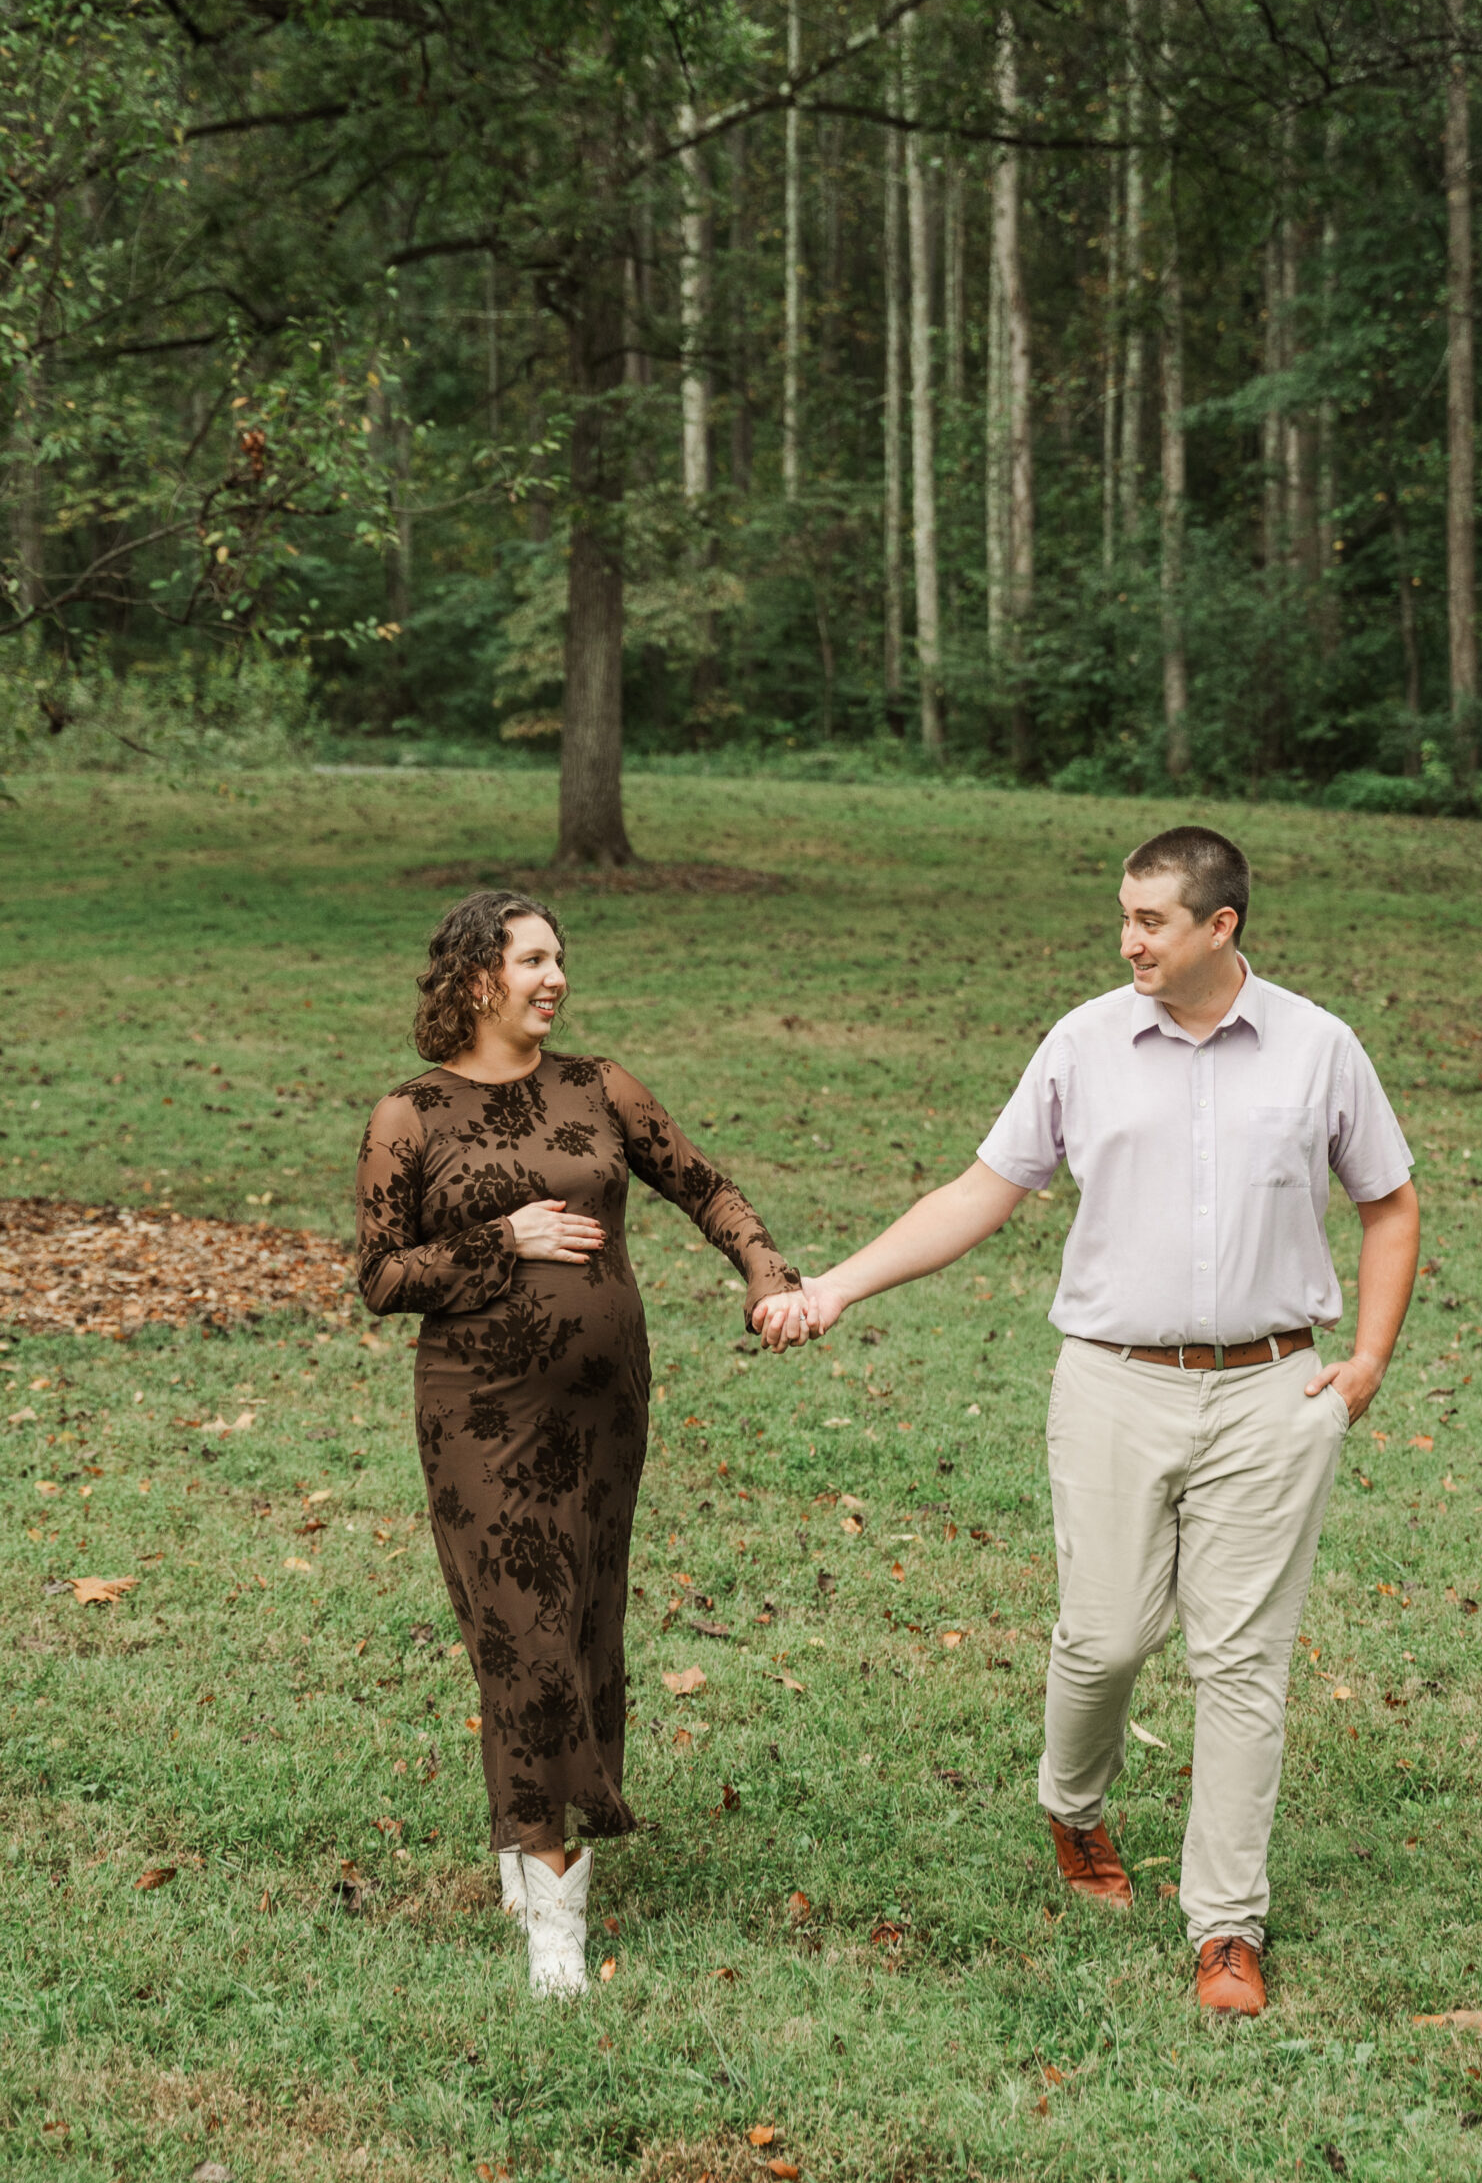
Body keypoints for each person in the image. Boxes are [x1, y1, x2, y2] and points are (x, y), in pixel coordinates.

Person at [792, 826, 1418, 2018]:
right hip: (1113, 1383)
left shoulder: (1317, 1048)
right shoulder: (1082, 1043)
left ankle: (1224, 1926)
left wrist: (1368, 1361)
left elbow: (1387, 1202)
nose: (1126, 939)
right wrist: (837, 1286)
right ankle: (1072, 1805)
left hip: (1271, 1390)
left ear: (1218, 926)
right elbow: (980, 1191)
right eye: (1123, 916)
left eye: (1149, 920)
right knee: (1105, 1638)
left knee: (1241, 1661)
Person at [356, 890, 809, 1999]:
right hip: (480, 1413)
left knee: (582, 1621)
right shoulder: (411, 1114)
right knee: (520, 1635)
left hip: (605, 1410)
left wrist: (764, 1269)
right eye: (531, 961)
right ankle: (552, 1917)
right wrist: (500, 1239)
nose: (554, 977)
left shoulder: (599, 1086)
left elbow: (702, 1185)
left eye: (558, 958)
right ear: (476, 978)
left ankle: (527, 1830)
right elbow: (380, 1276)